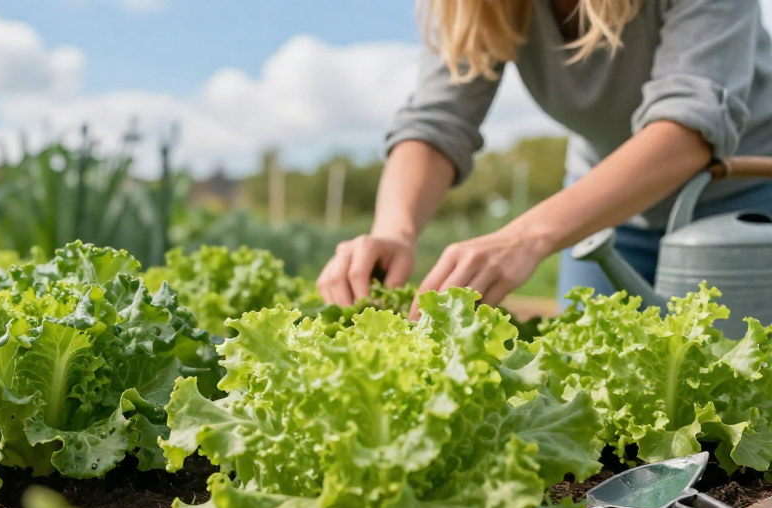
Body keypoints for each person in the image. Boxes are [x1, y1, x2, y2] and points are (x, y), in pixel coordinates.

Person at [316, 0, 772, 318]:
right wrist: (394, 232)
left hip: (745, 198)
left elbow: (690, 126)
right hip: (603, 209)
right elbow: (437, 120)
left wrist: (524, 238)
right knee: (592, 399)